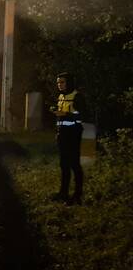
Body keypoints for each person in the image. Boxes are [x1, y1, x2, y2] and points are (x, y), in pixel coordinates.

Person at [52, 72, 85, 205]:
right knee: (64, 165)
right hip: (62, 135)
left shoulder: (77, 97)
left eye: (62, 82)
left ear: (69, 82)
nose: (60, 85)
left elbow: (82, 116)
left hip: (73, 135)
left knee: (74, 165)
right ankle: (63, 193)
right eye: (58, 82)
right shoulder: (61, 96)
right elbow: (61, 116)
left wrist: (65, 114)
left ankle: (77, 195)